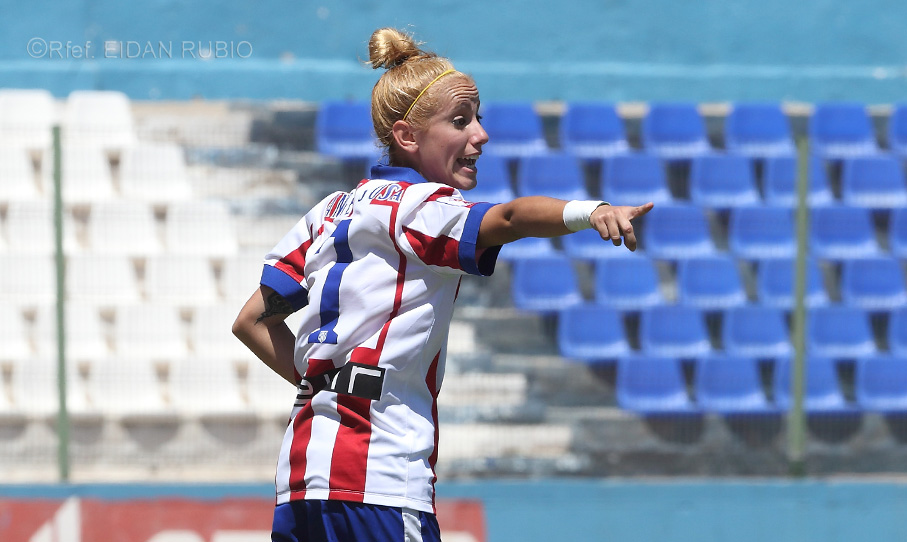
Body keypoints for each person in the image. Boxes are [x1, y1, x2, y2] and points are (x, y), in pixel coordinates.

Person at [233, 26, 653, 542]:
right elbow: (514, 217)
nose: (481, 134)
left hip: (302, 478)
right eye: (461, 120)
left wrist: (321, 380)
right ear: (407, 136)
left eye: (479, 117)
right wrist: (592, 211)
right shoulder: (421, 206)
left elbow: (251, 320)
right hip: (381, 475)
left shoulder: (329, 210)